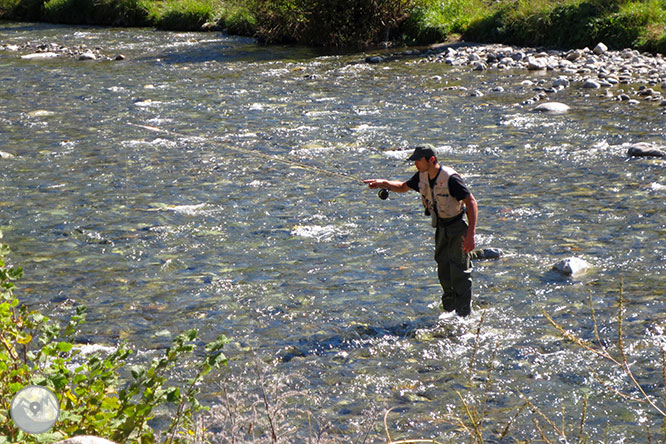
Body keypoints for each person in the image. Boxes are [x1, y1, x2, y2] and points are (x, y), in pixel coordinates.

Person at [364, 144, 478, 317]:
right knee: (444, 270)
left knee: (460, 272)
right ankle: (450, 312)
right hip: (440, 229)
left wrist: (470, 235)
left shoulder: (450, 178)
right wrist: (383, 183)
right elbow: (403, 187)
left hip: (457, 228)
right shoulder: (422, 176)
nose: (415, 163)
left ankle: (464, 316)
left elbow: (471, 203)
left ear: (431, 160)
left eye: (418, 160)